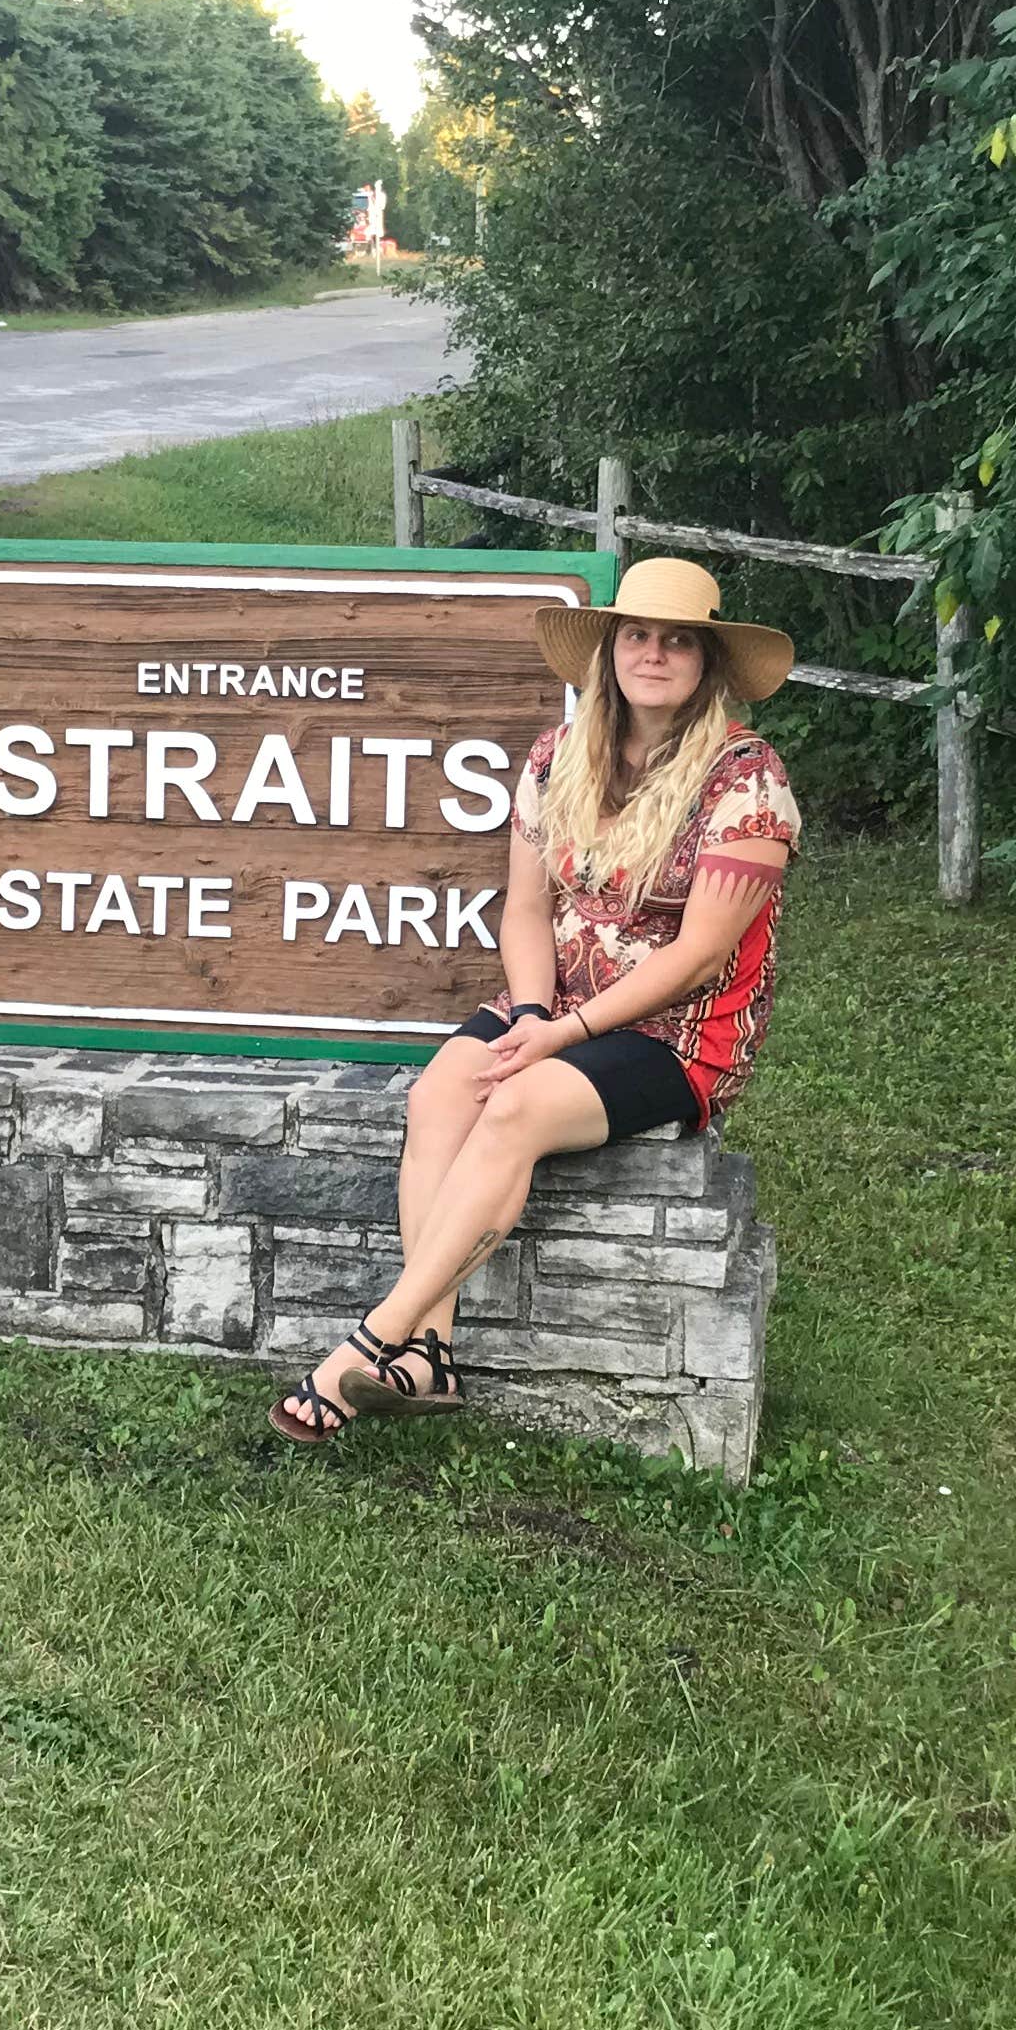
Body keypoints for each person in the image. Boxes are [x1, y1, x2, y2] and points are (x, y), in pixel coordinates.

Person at [274, 556, 801, 1442]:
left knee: (512, 1107)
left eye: (680, 640)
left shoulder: (747, 781)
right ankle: (429, 1356)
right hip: (549, 1002)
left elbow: (703, 953)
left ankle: (369, 1344)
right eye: (638, 634)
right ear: (609, 650)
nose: (655, 654)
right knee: (441, 1091)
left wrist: (565, 1035)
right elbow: (525, 909)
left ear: (709, 663)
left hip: (675, 1032)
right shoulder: (558, 758)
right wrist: (530, 1017)